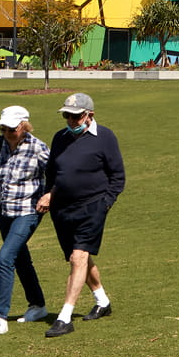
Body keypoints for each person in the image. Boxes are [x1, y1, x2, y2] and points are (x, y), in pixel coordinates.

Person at [37, 92, 125, 339]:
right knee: (79, 259)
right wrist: (49, 195)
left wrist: (104, 204)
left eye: (76, 117)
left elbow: (117, 176)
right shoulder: (60, 138)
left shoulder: (105, 137)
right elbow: (53, 174)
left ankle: (64, 317)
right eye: (67, 116)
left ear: (89, 115)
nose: (71, 121)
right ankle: (102, 301)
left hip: (92, 207)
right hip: (62, 209)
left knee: (79, 257)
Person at [0, 105, 52, 335]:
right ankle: (38, 305)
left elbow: (58, 175)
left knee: (5, 257)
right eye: (3, 128)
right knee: (20, 258)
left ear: (23, 125)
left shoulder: (39, 148)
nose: (6, 133)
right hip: (3, 210)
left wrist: (49, 195)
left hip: (28, 211)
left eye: (11, 129)